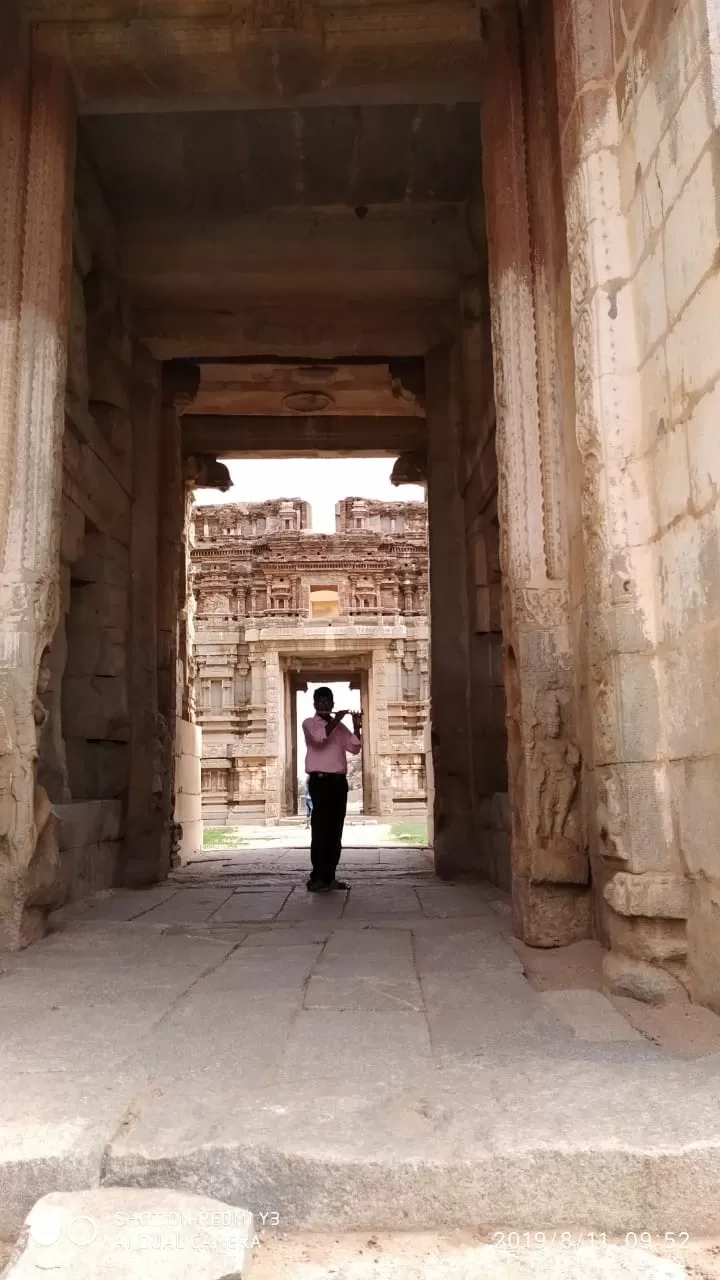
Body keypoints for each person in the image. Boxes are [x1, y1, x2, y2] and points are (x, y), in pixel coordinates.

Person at [302, 687, 362, 892]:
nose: (324, 705)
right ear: (315, 704)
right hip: (320, 782)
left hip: (338, 782)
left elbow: (354, 747)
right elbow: (319, 740)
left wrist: (356, 726)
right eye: (320, 701)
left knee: (335, 831)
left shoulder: (340, 727)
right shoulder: (309, 724)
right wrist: (337, 720)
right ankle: (317, 877)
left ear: (332, 704)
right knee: (320, 829)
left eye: (327, 702)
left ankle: (330, 877)